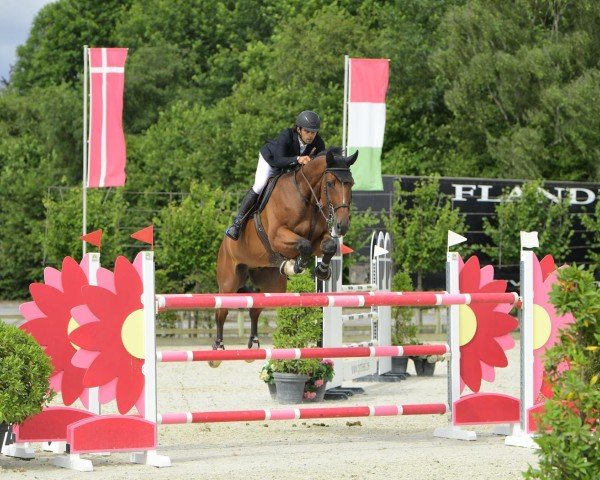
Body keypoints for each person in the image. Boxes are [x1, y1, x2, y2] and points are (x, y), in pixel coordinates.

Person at [225, 110, 326, 240]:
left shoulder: (319, 143)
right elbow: (279, 160)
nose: (311, 136)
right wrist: (298, 159)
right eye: (307, 131)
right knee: (260, 185)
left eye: (313, 132)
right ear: (299, 129)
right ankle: (237, 223)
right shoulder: (286, 135)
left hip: (291, 167)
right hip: (271, 161)